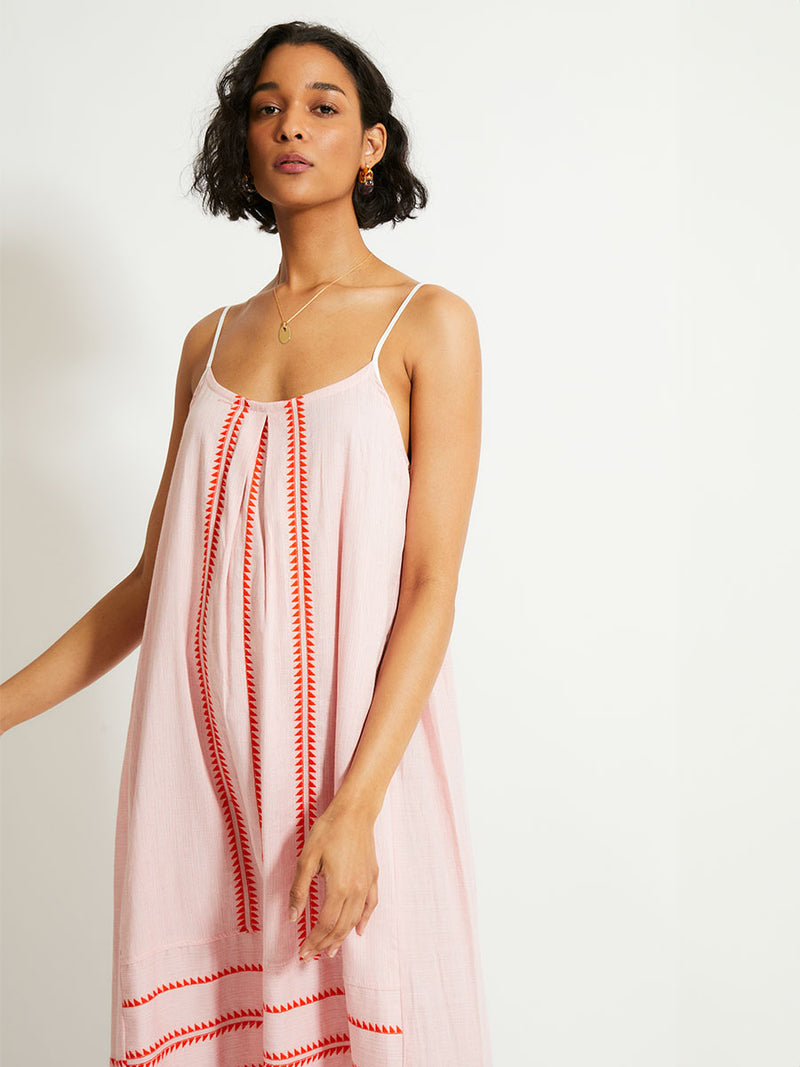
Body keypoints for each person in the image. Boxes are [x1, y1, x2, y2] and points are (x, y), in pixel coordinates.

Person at [0, 19, 492, 1066]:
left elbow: (431, 585)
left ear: (372, 146)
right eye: (265, 106)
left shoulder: (426, 323)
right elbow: (155, 588)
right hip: (201, 784)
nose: (289, 126)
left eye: (322, 106)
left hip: (355, 774)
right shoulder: (208, 342)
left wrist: (355, 807)